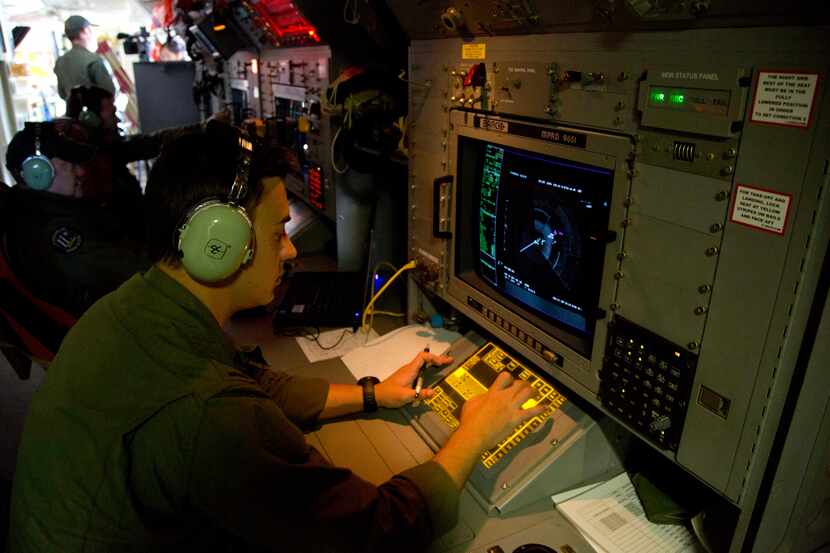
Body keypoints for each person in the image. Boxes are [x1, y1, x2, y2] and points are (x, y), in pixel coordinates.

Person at [9, 122, 544, 552]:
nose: (289, 252)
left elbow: (250, 379)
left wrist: (371, 393)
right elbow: (377, 529)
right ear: (216, 245)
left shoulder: (132, 306)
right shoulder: (208, 413)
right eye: (274, 234)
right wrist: (474, 431)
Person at [2, 120, 150, 318]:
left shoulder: (54, 211)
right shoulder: (55, 230)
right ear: (37, 173)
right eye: (68, 164)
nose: (80, 171)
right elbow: (133, 269)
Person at [54, 15, 116, 100]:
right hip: (96, 112)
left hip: (74, 112)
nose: (92, 34)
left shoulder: (60, 62)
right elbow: (110, 92)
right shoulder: (93, 60)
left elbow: (62, 94)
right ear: (84, 32)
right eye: (90, 30)